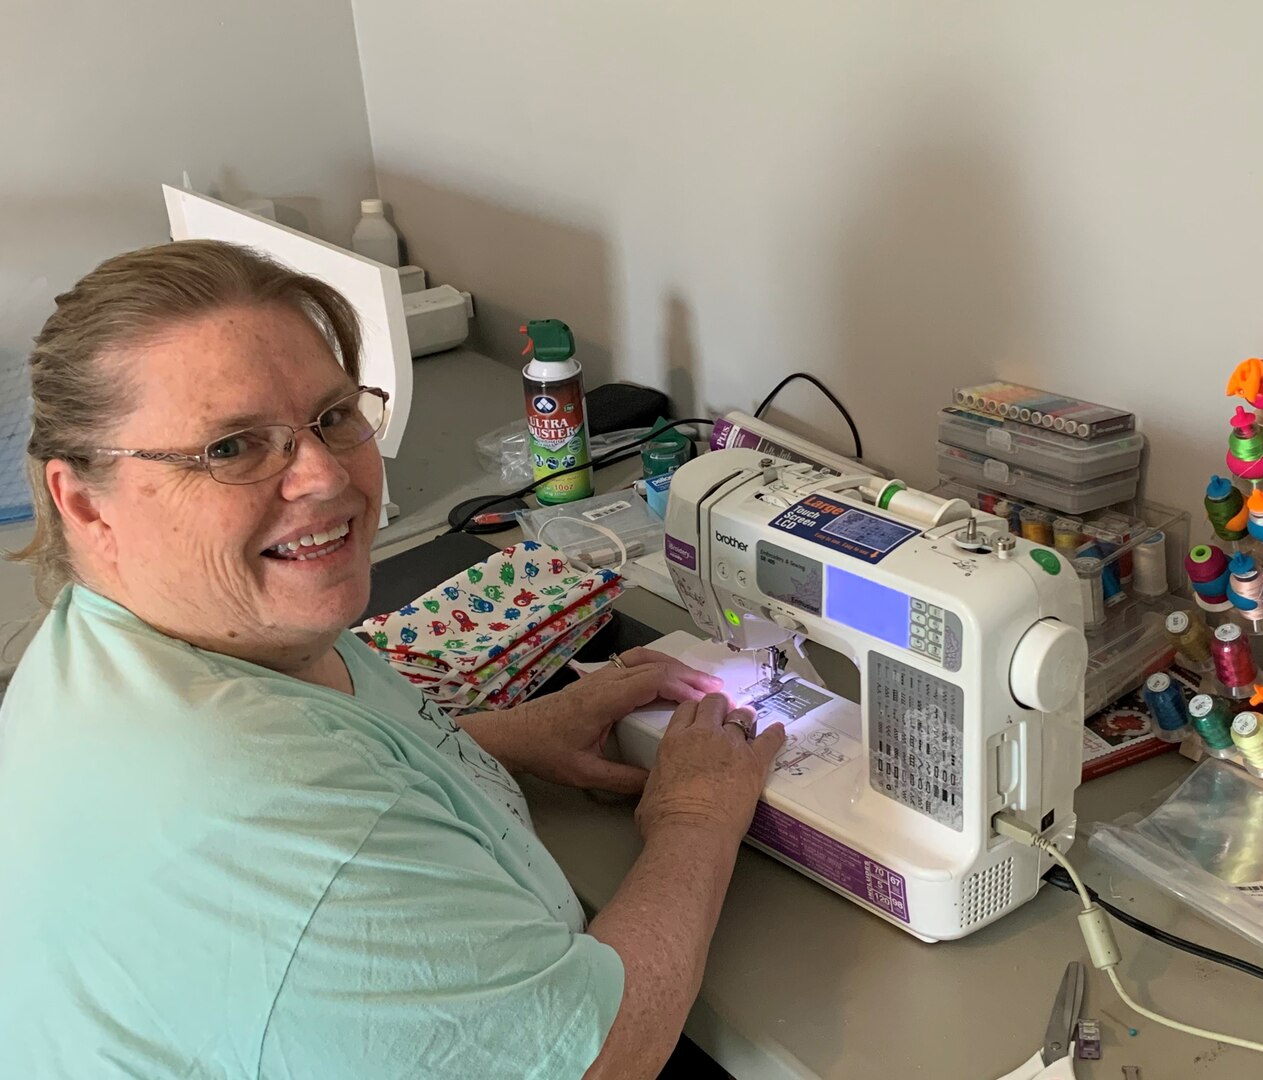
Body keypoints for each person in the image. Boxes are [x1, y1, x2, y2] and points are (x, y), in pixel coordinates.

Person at [0, 240, 785, 1079]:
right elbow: (606, 1058)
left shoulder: (122, 641)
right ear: (82, 501)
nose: (325, 478)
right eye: (231, 447)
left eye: (334, 416)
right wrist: (696, 819)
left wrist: (498, 741)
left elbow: (334, 753)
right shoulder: (266, 817)